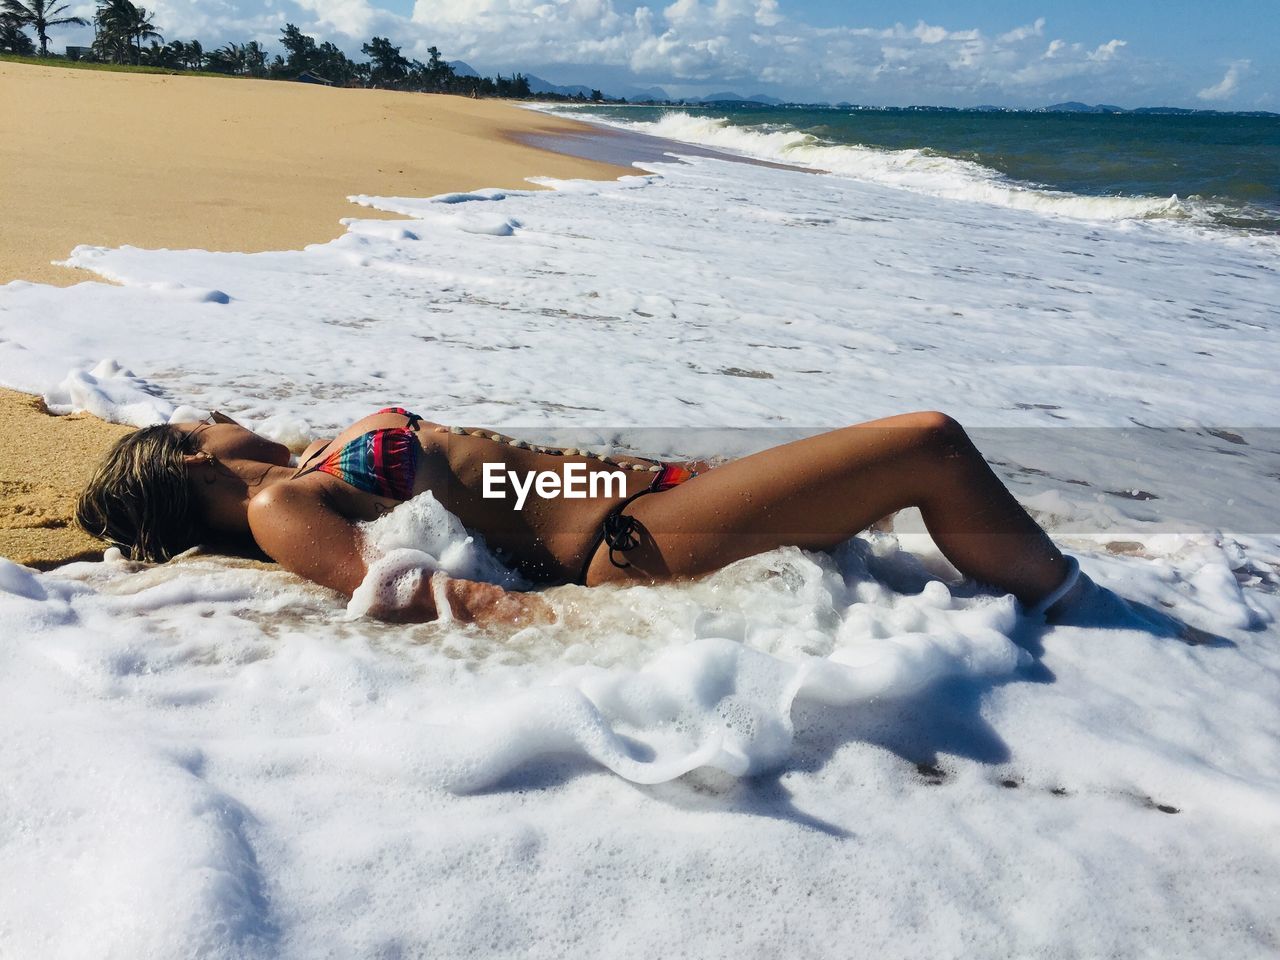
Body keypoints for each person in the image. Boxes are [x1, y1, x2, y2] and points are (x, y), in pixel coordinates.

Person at [76, 407, 1091, 625]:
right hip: (635, 541)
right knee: (927, 445)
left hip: (661, 504)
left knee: (917, 456)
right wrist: (559, 631)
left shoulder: (291, 466)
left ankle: (1056, 607)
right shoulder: (274, 503)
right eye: (195, 421)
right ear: (184, 458)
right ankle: (1086, 617)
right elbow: (389, 587)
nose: (215, 410)